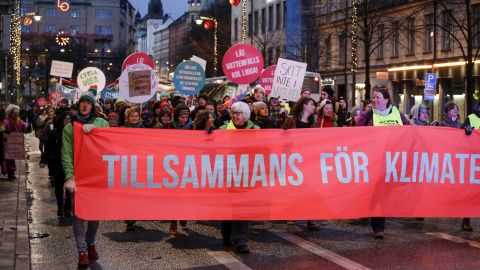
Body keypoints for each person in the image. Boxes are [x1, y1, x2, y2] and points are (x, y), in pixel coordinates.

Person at [62, 86, 109, 267]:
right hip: (78, 177)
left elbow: (110, 146)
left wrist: (95, 131)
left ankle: (90, 243)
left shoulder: (103, 124)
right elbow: (66, 153)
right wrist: (69, 177)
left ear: (93, 106)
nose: (85, 105)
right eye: (83, 102)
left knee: (94, 215)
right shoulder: (69, 128)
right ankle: (82, 251)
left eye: (89, 103)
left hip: (96, 177)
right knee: (79, 215)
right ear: (79, 104)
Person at [357, 87, 409, 239]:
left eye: (378, 97)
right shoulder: (368, 115)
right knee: (379, 192)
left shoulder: (397, 114)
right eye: (374, 97)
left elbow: (408, 131)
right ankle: (378, 227)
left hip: (393, 160)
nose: (375, 100)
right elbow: (356, 133)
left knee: (387, 192)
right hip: (375, 160)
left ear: (386, 100)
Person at [219, 102, 259, 254]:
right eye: (233, 113)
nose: (235, 116)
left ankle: (240, 240)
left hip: (246, 173)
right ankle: (227, 233)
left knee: (241, 206)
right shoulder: (223, 129)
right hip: (227, 172)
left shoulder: (255, 130)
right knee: (229, 205)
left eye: (239, 113)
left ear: (246, 115)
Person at [282, 98, 320, 229]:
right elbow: (282, 137)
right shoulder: (292, 120)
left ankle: (311, 218)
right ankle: (292, 214)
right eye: (312, 104)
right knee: (294, 188)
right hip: (293, 159)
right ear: (305, 106)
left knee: (310, 189)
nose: (314, 106)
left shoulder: (313, 123)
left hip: (308, 159)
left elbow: (318, 140)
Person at [40, 112, 72, 216]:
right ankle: (60, 206)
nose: (68, 121)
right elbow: (48, 148)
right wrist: (43, 160)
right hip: (58, 162)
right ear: (61, 119)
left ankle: (68, 206)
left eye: (69, 119)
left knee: (70, 186)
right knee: (59, 185)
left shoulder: (73, 131)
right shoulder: (55, 132)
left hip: (70, 163)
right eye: (66, 119)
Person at [168, 103, 192, 234]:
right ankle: (173, 222)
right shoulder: (168, 126)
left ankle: (183, 214)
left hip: (187, 165)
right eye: (182, 117)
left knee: (185, 195)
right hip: (171, 165)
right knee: (173, 196)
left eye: (186, 117)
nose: (184, 120)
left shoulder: (193, 127)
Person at [1, 104, 29, 179]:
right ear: (10, 113)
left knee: (12, 157)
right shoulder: (6, 121)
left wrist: (27, 128)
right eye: (14, 113)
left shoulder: (18, 121)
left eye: (17, 113)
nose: (16, 114)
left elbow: (24, 125)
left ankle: (11, 172)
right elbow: (2, 127)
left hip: (15, 142)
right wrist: (4, 131)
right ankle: (11, 172)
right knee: (9, 158)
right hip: (8, 142)